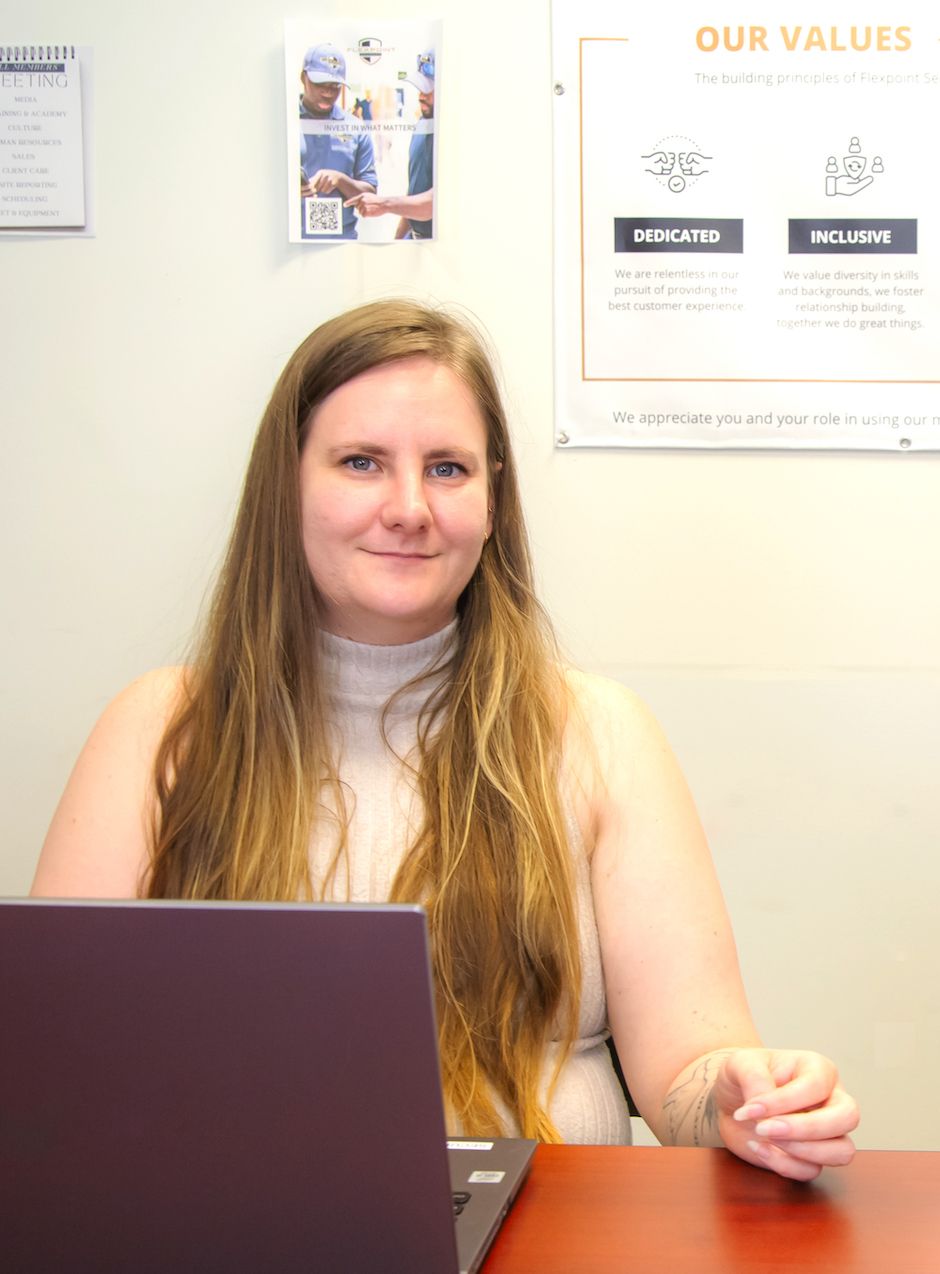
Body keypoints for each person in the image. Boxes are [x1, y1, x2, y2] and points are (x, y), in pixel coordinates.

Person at [32, 299, 858, 1179]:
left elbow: (688, 1076)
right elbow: (53, 1059)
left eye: (449, 469)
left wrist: (740, 1099)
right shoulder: (160, 732)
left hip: (546, 1236)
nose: (410, 507)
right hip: (230, 1226)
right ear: (285, 485)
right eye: (361, 462)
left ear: (493, 499)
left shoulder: (599, 736)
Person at [295, 43, 376, 241]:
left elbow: (371, 193)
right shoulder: (284, 122)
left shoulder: (355, 128)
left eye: (334, 87)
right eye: (320, 85)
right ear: (303, 77)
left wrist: (340, 180)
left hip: (342, 242)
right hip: (290, 242)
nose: (328, 93)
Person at [352, 50, 435, 239]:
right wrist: (398, 240)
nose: (422, 96)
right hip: (414, 239)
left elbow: (434, 203)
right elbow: (415, 190)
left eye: (430, 90)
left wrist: (384, 205)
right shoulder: (422, 126)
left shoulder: (453, 138)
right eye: (420, 89)